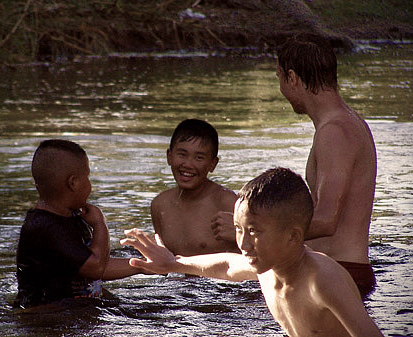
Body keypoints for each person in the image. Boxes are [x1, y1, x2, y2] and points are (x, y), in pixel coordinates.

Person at [122, 167, 384, 337]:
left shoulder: (323, 279)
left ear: (293, 235)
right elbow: (226, 265)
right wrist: (173, 263)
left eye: (255, 232)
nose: (243, 244)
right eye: (238, 229)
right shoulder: (268, 269)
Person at [276, 33, 378, 297]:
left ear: (292, 78)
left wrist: (255, 231)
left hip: (340, 276)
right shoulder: (350, 121)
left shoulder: (334, 132)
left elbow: (326, 220)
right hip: (337, 273)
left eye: (280, 80)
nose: (282, 90)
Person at [14, 139, 144, 308]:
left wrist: (142, 265)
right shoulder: (43, 226)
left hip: (68, 312)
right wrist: (100, 224)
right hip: (45, 319)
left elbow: (96, 264)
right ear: (73, 183)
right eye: (88, 177)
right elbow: (95, 267)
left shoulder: (72, 217)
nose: (90, 185)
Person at [151, 119, 239, 256]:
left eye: (199, 158)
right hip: (176, 277)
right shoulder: (160, 205)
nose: (188, 164)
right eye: (182, 154)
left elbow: (266, 255)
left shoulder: (228, 203)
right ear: (169, 156)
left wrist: (240, 234)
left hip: (217, 278)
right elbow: (163, 262)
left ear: (212, 164)